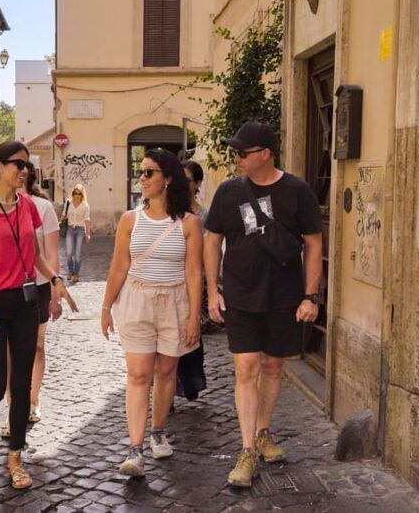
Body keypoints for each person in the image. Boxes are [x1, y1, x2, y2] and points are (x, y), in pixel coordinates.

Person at [204, 122, 323, 487]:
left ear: (265, 153)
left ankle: (263, 432)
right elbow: (211, 242)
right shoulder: (228, 192)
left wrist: (310, 295)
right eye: (235, 152)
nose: (236, 158)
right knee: (246, 368)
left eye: (242, 152)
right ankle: (246, 451)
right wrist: (213, 291)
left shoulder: (297, 191)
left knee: (272, 368)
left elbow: (314, 244)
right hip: (240, 294)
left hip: (283, 295)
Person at [0, 140, 77, 490]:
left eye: (27, 165)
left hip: (27, 304)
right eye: (18, 164)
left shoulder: (29, 206)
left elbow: (35, 256)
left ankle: (15, 455)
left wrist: (54, 278)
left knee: (22, 386)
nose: (24, 171)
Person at [100, 148, 203, 477]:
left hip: (175, 302)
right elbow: (118, 267)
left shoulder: (189, 223)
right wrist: (105, 307)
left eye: (149, 173)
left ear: (168, 178)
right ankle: (135, 448)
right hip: (137, 299)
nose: (141, 179)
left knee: (166, 374)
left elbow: (194, 273)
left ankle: (158, 430)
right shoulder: (131, 220)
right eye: (140, 172)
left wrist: (193, 318)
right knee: (138, 375)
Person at [0, 164, 62, 435]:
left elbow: (51, 253)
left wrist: (56, 293)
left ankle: (33, 400)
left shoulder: (43, 208)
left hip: (38, 286)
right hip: (8, 287)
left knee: (36, 346)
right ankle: (14, 405)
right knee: (11, 350)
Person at [175, 161, 209, 403]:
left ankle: (188, 382)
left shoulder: (204, 216)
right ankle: (166, 388)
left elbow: (207, 253)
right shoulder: (166, 211)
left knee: (189, 333)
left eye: (187, 180)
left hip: (193, 283)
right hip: (169, 281)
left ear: (197, 184)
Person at [62, 184, 90, 282]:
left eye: (79, 193)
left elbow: (87, 220)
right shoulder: (68, 203)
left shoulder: (85, 205)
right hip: (70, 229)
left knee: (77, 254)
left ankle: (76, 274)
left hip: (80, 230)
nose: (76, 195)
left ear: (82, 195)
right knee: (69, 253)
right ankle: (70, 271)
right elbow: (64, 215)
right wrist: (61, 220)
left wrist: (88, 234)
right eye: (75, 193)